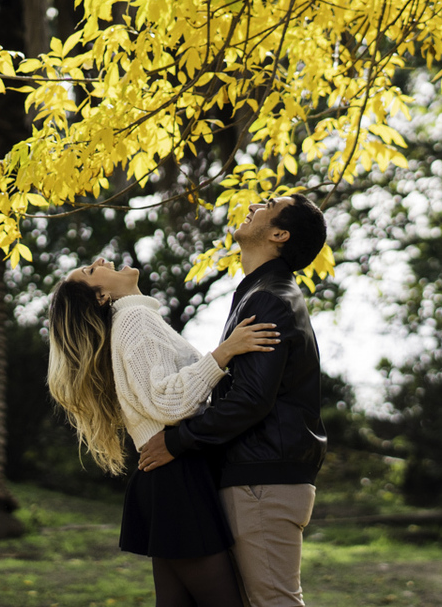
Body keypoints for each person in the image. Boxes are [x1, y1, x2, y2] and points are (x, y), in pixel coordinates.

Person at [47, 257, 281, 607]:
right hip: (178, 479)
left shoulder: (135, 319)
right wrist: (225, 352)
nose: (100, 261)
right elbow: (168, 402)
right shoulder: (134, 319)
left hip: (169, 477)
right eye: (91, 271)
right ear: (101, 297)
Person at [138, 194, 328, 607]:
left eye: (268, 205)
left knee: (273, 601)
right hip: (260, 475)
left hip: (264, 479)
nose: (254, 205)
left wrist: (177, 441)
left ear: (279, 234)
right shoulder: (261, 292)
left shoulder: (268, 298)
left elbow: (251, 398)